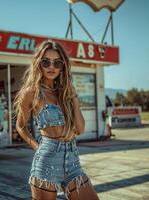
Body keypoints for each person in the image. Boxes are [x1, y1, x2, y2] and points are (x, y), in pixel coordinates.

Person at [14, 40, 99, 200]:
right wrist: (36, 147)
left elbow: (80, 129)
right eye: (46, 62)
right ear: (39, 63)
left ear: (63, 66)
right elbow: (20, 126)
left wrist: (73, 98)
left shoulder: (65, 92)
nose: (51, 67)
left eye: (57, 63)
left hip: (73, 161)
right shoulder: (32, 92)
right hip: (47, 160)